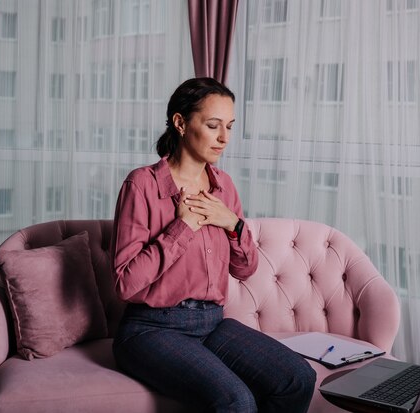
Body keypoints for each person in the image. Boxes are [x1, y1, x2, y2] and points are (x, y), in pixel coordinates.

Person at [110, 77, 316, 413]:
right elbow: (124, 283)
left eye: (230, 127)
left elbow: (245, 269)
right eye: (213, 126)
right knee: (236, 401)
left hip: (213, 323)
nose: (224, 138)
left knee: (298, 378)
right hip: (150, 329)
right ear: (180, 122)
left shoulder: (224, 187)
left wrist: (232, 224)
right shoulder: (142, 184)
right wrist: (183, 226)